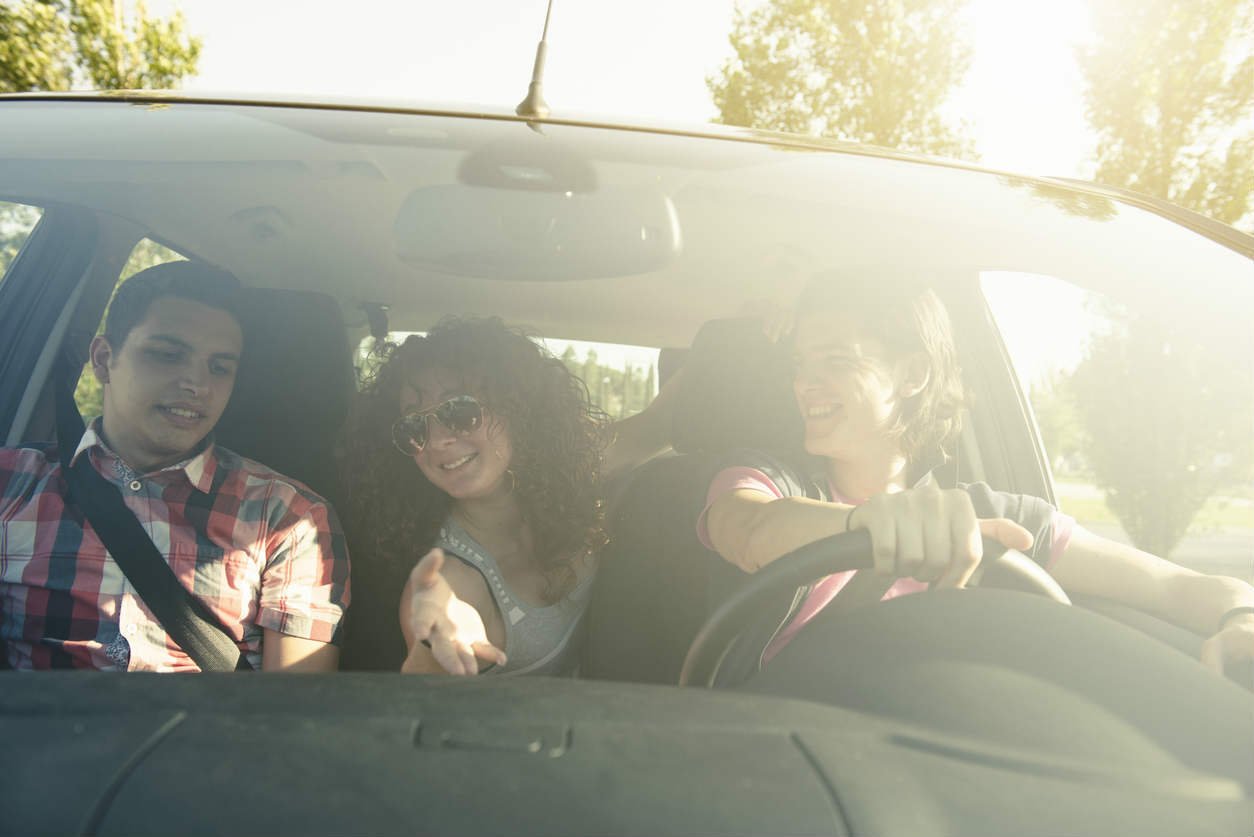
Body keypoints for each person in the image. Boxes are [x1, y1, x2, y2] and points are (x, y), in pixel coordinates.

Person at [699, 276, 1254, 676]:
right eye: (801, 364)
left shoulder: (998, 519)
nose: (805, 383)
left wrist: (1241, 617)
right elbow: (747, 528)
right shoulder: (769, 479)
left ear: (912, 374)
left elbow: (1175, 585)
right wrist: (868, 522)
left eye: (836, 360)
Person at [0, 261, 351, 671]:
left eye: (219, 368)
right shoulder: (12, 482)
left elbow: (296, 712)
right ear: (102, 359)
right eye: (167, 356)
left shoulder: (289, 517)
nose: (197, 385)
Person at [340, 316, 670, 675]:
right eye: (414, 426)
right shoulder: (454, 575)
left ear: (518, 407)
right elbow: (441, 633)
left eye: (459, 411)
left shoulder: (580, 470)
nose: (436, 440)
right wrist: (435, 644)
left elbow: (674, 416)